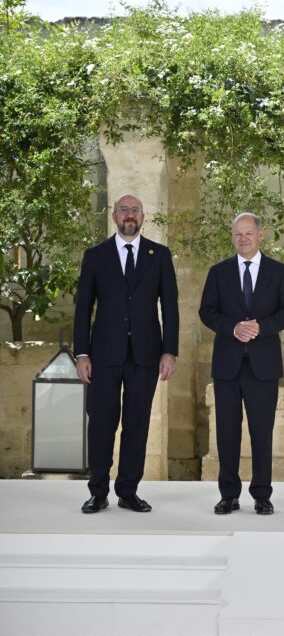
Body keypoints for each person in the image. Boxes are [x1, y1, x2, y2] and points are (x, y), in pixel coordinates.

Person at [73, 194, 179, 514]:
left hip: (145, 355)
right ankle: (98, 492)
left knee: (137, 424)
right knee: (101, 424)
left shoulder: (159, 255)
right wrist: (81, 354)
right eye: (123, 210)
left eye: (134, 210)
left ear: (143, 217)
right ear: (114, 216)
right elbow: (83, 309)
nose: (129, 215)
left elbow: (170, 307)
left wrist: (169, 351)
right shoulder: (95, 256)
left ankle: (128, 491)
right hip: (103, 356)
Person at [198, 213, 284, 515]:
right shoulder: (218, 272)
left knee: (261, 432)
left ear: (260, 235)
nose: (243, 238)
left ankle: (262, 495)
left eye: (248, 233)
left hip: (263, 365)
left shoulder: (279, 272)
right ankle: (228, 494)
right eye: (238, 234)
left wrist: (260, 327)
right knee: (227, 432)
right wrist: (233, 327)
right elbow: (207, 311)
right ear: (233, 237)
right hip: (227, 365)